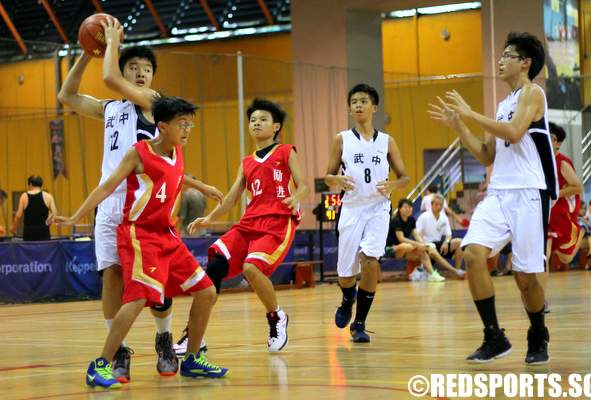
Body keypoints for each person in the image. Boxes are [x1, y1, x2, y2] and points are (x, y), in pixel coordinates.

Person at [57, 17, 222, 381]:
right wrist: (87, 53)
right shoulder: (110, 108)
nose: (141, 72)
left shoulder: (154, 103)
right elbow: (66, 97)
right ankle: (117, 352)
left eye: (147, 68)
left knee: (153, 282)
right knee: (114, 279)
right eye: (134, 66)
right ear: (124, 68)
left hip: (146, 204)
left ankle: (164, 338)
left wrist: (112, 43)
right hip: (110, 201)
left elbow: (110, 78)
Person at [429, 32, 557, 364]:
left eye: (508, 55)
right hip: (499, 192)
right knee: (472, 255)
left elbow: (515, 133)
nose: (500, 60)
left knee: (525, 277)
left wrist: (470, 114)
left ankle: (537, 332)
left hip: (529, 193)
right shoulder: (501, 105)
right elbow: (487, 156)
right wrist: (460, 127)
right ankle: (494, 336)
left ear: (525, 62)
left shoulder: (533, 93)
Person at [188, 98, 308, 352]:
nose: (256, 123)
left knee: (252, 268)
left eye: (262, 119)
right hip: (250, 222)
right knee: (216, 263)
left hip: (278, 220)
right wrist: (210, 219)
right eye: (253, 120)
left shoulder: (286, 151)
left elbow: (304, 184)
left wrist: (296, 197)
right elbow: (232, 198)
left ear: (275, 126)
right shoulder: (247, 162)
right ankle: (194, 335)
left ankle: (276, 316)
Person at [325, 83, 409, 343]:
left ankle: (359, 323)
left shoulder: (387, 141)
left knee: (371, 261)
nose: (358, 105)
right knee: (345, 274)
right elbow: (326, 177)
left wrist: (393, 185)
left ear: (374, 107)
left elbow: (404, 177)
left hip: (378, 207)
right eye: (354, 102)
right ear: (350, 108)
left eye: (363, 101)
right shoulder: (342, 139)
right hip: (351, 208)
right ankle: (347, 298)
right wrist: (336, 181)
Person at [546, 122, 583, 268]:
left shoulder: (561, 162)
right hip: (543, 212)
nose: (548, 139)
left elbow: (577, 187)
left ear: (558, 144)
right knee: (544, 253)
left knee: (565, 258)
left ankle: (580, 231)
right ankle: (537, 289)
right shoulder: (538, 160)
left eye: (552, 138)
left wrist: (554, 194)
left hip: (560, 212)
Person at [385, 198, 445, 282]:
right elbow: (401, 239)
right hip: (391, 249)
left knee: (422, 251)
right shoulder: (396, 221)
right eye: (405, 207)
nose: (408, 209)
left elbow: (416, 235)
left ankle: (432, 274)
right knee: (406, 246)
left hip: (404, 250)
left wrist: (424, 245)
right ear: (399, 209)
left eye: (410, 207)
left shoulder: (411, 220)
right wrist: (418, 244)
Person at [415, 194, 466, 278]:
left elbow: (449, 235)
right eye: (436, 204)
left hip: (440, 246)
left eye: (441, 205)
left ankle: (457, 271)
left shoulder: (444, 218)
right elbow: (418, 234)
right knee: (430, 248)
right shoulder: (423, 217)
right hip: (428, 246)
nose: (438, 207)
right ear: (431, 205)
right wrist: (424, 244)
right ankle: (455, 271)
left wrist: (446, 242)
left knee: (459, 242)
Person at [10, 175, 57, 241]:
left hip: (29, 234)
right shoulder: (48, 196)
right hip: (44, 233)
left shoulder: (24, 196)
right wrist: (51, 219)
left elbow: (18, 215)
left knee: (29, 251)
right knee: (44, 251)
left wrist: (14, 227)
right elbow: (55, 213)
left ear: (30, 184)